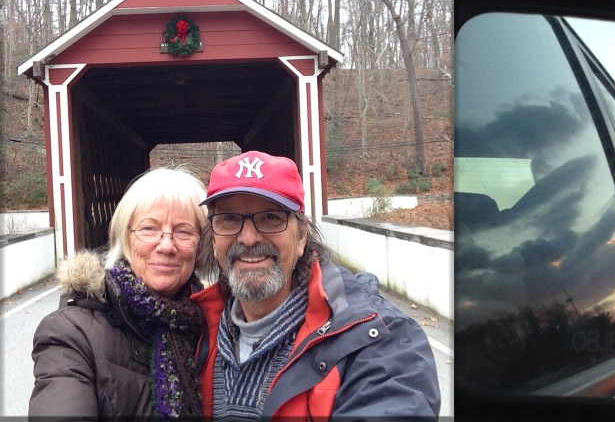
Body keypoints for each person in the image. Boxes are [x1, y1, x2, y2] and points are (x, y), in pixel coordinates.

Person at [194, 149, 441, 419]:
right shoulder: (194, 329)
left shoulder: (382, 340)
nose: (249, 238)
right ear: (214, 238)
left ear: (301, 236)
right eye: (229, 219)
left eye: (270, 217)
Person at [30, 166, 213, 419]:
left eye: (183, 231)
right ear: (124, 238)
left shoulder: (215, 323)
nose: (166, 245)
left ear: (200, 245)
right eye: (149, 228)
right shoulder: (70, 332)